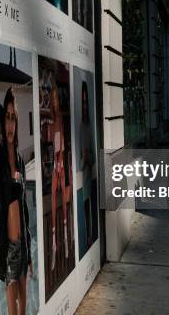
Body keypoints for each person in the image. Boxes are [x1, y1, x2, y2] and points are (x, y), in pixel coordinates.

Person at [0, 88, 33, 315]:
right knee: (13, 310)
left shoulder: (20, 160)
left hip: (22, 245)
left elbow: (23, 208)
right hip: (8, 247)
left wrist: (29, 253)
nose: (10, 124)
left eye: (13, 118)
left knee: (25, 308)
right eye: (7, 118)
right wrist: (3, 109)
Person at [49, 83, 69, 269]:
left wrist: (60, 161)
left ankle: (65, 236)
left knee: (62, 200)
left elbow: (61, 141)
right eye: (52, 98)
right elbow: (50, 142)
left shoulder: (60, 119)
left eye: (56, 99)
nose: (54, 102)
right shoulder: (51, 120)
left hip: (60, 161)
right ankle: (55, 241)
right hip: (55, 162)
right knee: (54, 202)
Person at [78, 81, 95, 247]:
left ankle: (90, 237)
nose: (84, 106)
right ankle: (88, 238)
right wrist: (84, 158)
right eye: (81, 102)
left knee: (90, 206)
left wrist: (87, 156)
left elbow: (93, 155)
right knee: (84, 206)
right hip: (83, 174)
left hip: (90, 173)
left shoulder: (89, 127)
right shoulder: (80, 127)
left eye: (85, 102)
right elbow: (79, 160)